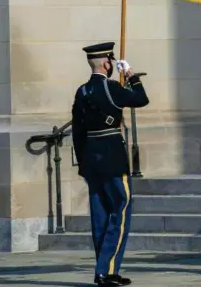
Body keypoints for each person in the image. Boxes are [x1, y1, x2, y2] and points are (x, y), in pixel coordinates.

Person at [71, 42, 149, 286]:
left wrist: (83, 161)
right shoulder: (112, 87)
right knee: (121, 209)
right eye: (112, 62)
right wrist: (132, 75)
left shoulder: (82, 91)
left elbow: (77, 130)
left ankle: (103, 267)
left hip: (91, 159)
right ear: (107, 63)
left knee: (100, 216)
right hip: (113, 158)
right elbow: (141, 99)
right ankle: (106, 269)